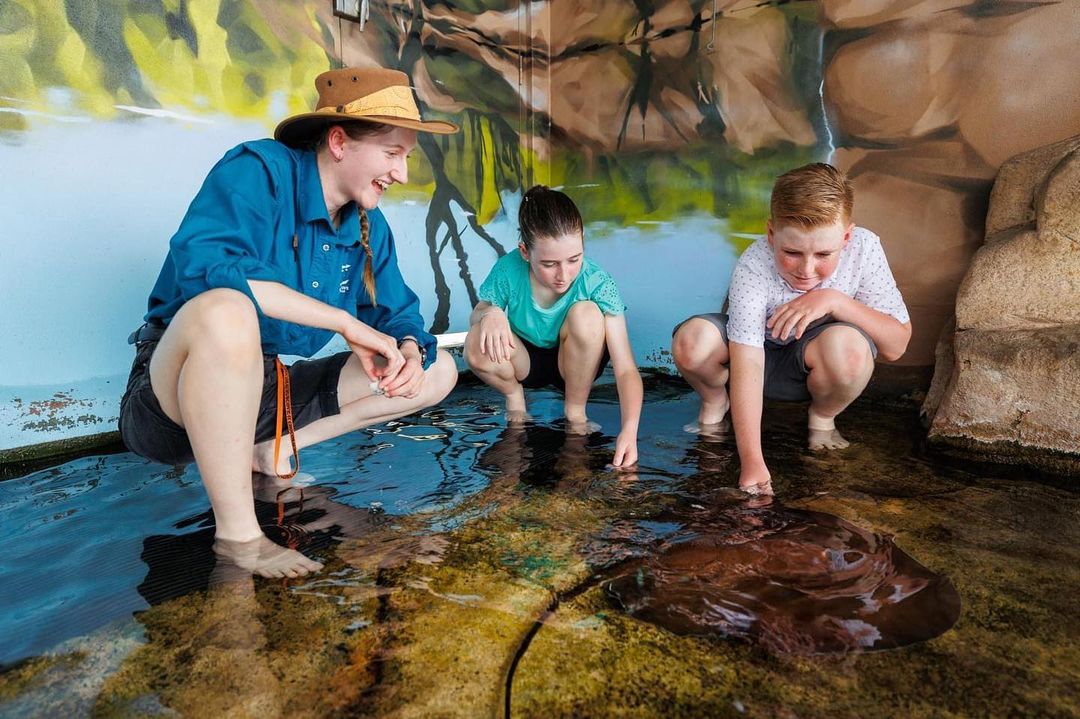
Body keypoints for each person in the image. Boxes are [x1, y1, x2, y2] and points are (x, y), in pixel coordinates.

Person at [119, 67, 460, 578]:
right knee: (226, 308)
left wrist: (409, 350)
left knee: (440, 372)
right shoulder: (257, 171)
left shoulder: (371, 227)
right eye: (393, 154)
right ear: (340, 142)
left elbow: (399, 315)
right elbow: (204, 267)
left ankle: (265, 452)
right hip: (169, 405)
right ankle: (239, 539)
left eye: (406, 158)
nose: (402, 173)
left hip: (262, 397)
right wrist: (343, 321)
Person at [671, 163, 911, 495]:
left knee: (851, 351)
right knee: (691, 343)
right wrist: (752, 462)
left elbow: (896, 346)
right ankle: (715, 401)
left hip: (811, 363)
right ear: (772, 235)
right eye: (792, 252)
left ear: (846, 237)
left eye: (824, 254)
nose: (806, 270)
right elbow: (749, 363)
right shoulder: (755, 264)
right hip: (756, 359)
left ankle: (823, 418)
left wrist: (834, 300)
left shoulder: (865, 249)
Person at [464, 186, 643, 468]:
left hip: (575, 365)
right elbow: (477, 316)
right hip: (525, 361)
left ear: (583, 242)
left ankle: (575, 412)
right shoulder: (509, 268)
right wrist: (490, 312)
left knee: (587, 314)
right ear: (525, 252)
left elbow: (625, 368)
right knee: (476, 338)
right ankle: (515, 399)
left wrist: (629, 431)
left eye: (574, 259)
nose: (563, 275)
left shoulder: (597, 281)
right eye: (549, 264)